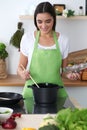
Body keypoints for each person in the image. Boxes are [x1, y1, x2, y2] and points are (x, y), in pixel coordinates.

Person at [17, 1, 80, 113]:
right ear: (35, 21)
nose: (44, 26)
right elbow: (20, 67)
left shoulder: (63, 40)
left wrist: (69, 75)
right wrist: (22, 73)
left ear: (54, 19)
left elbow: (64, 71)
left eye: (48, 21)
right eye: (39, 22)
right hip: (32, 95)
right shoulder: (27, 38)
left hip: (56, 96)